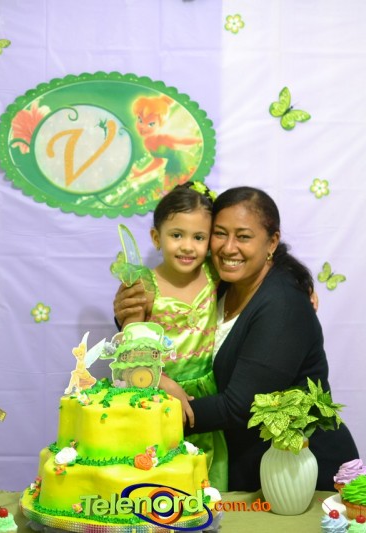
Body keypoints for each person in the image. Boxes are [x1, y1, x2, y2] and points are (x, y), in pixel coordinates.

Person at [115, 186, 358, 492]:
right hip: (248, 468)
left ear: (272, 242)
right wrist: (130, 311)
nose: (229, 248)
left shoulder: (282, 304)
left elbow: (238, 407)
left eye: (243, 236)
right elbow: (169, 317)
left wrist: (147, 414)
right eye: (220, 233)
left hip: (301, 474)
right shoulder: (221, 282)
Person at [118, 181, 229, 491]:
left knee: (205, 474)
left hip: (207, 393)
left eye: (199, 237)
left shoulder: (213, 274)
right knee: (160, 471)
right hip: (157, 389)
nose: (187, 246)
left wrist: (303, 286)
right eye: (176, 235)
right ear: (157, 238)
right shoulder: (144, 284)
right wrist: (162, 381)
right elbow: (130, 344)